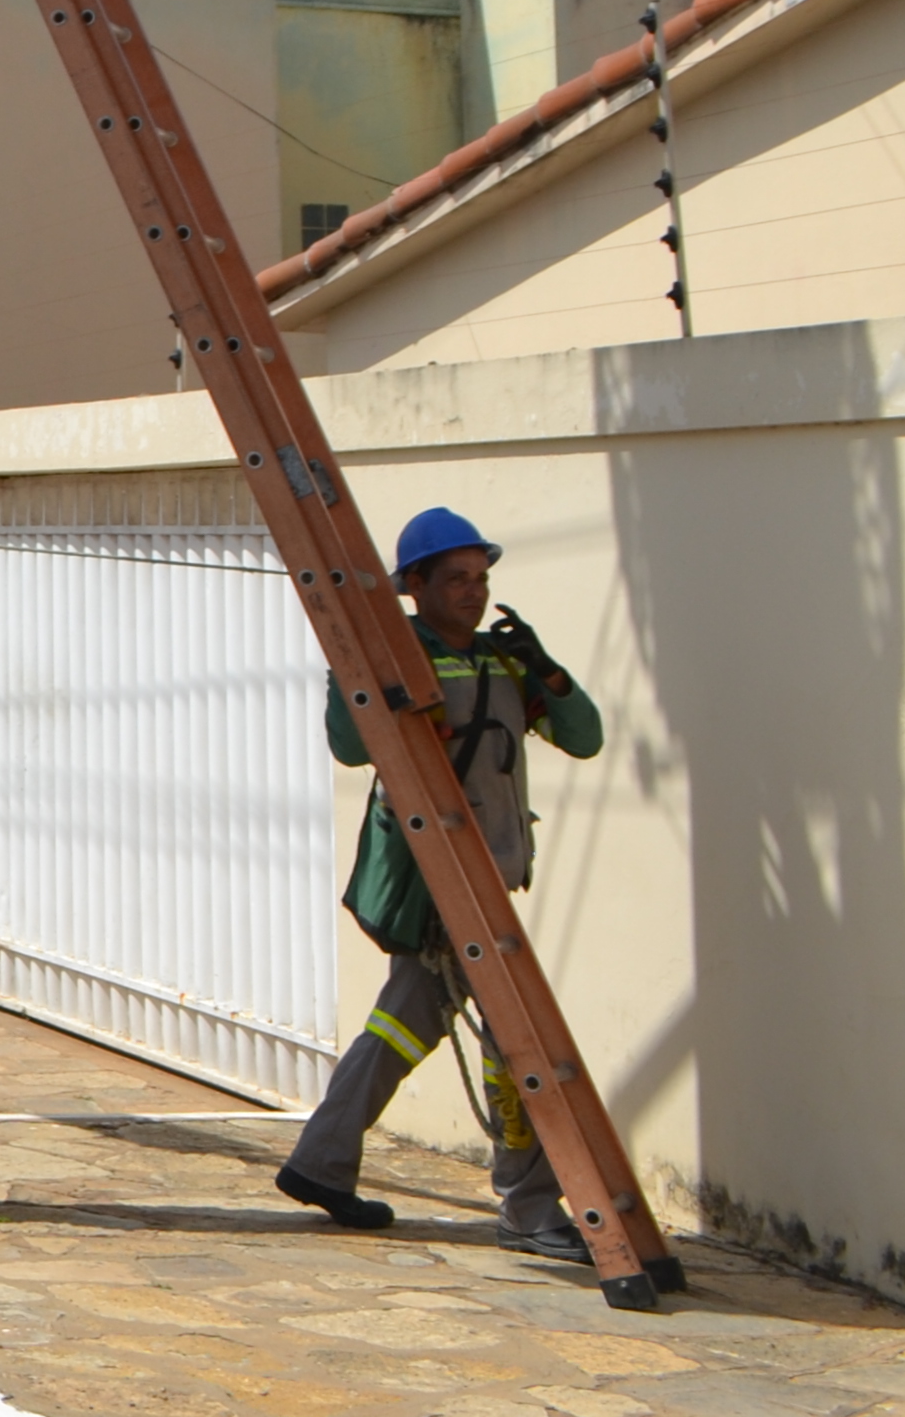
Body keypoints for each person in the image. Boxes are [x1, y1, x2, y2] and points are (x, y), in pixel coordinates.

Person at [278, 505, 605, 1256]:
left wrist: (546, 669)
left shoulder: (504, 663)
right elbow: (351, 747)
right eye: (456, 579)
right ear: (415, 585)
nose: (474, 592)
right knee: (515, 1046)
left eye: (481, 578)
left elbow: (583, 738)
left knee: (401, 1027)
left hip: (486, 883)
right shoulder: (398, 657)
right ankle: (529, 1207)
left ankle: (320, 1164)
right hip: (442, 890)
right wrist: (352, 672)